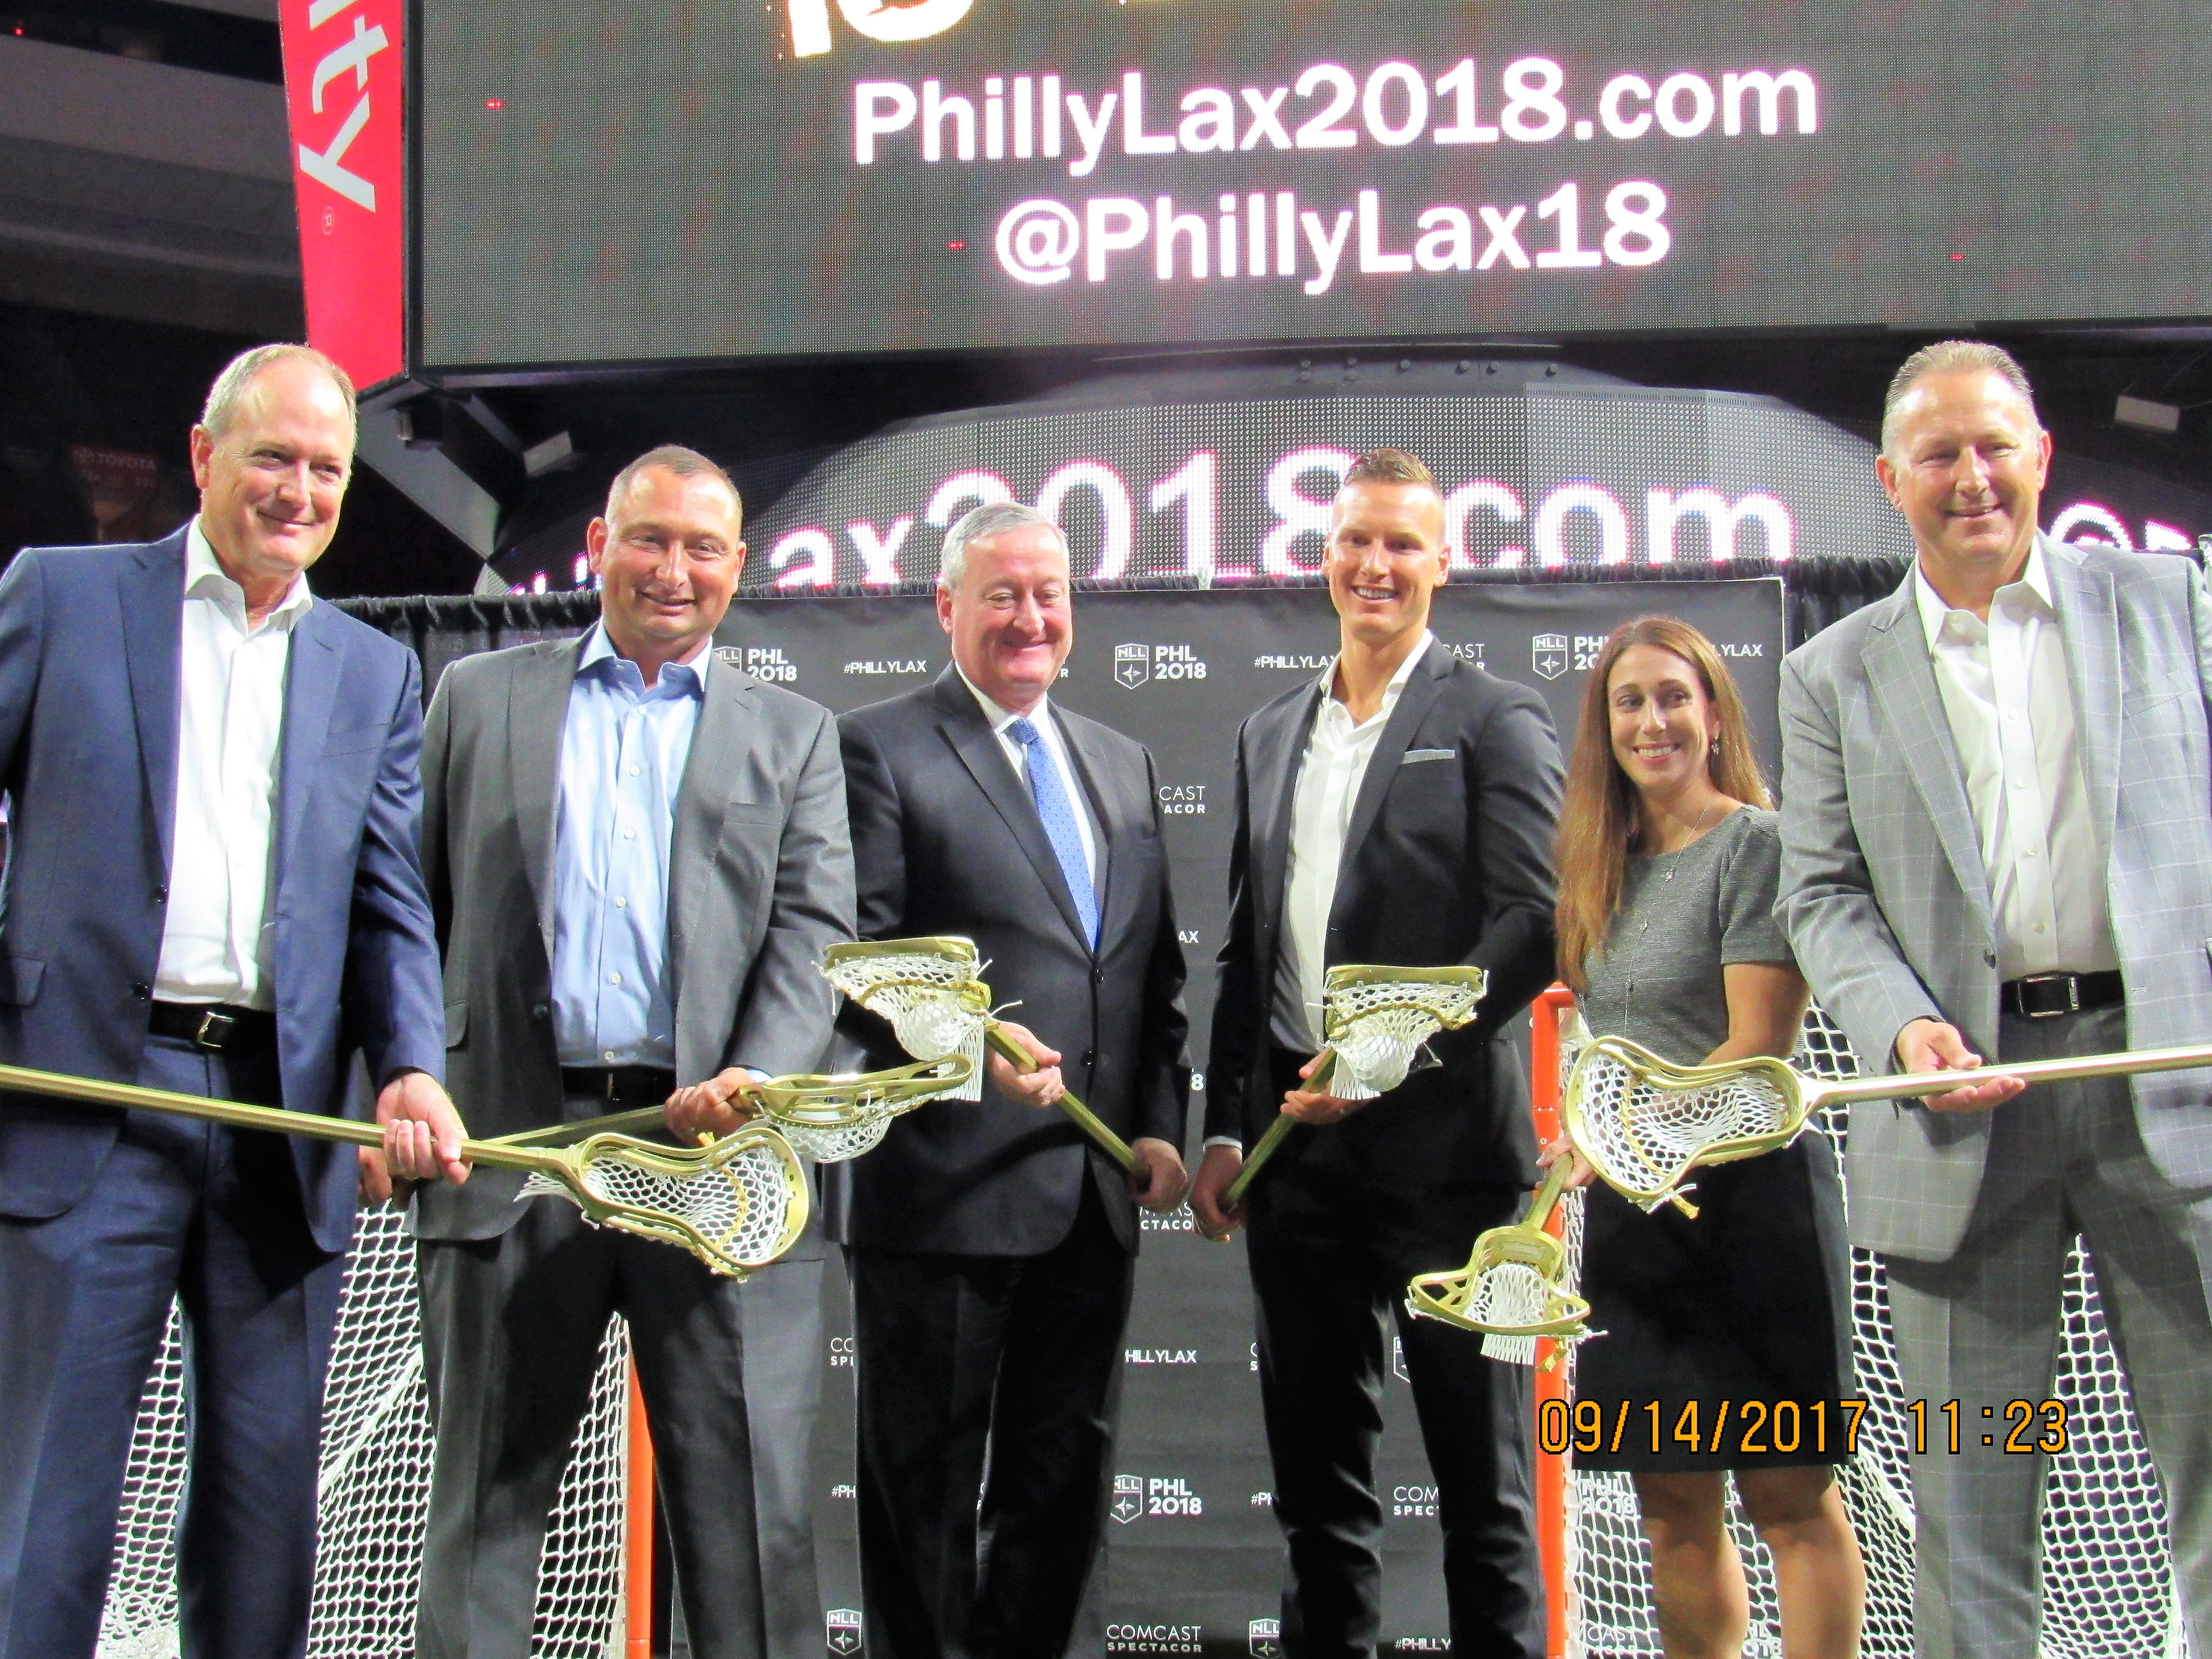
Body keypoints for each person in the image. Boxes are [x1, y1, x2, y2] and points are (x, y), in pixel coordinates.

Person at [0, 343, 465, 1659]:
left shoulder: (373, 672)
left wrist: (412, 1066)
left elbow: (389, 906)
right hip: (88, 1096)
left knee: (266, 1514)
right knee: (51, 1501)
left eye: (327, 469)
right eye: (274, 456)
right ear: (205, 456)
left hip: (281, 1120)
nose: (300, 491)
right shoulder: (64, 595)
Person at [1778, 339, 2212, 1658]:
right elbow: (1822, 895)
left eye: (1994, 447)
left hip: (2171, 1094)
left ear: (2043, 458)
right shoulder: (1832, 673)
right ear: (1889, 481)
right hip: (1958, 1124)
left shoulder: (2173, 603)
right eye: (1940, 455)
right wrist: (1902, 1023)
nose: (1972, 478)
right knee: (1971, 1517)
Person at [411, 445, 854, 1659]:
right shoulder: (477, 698)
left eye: (702, 547)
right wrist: (400, 1077)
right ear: (598, 549)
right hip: (512, 1157)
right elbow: (408, 909)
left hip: (711, 1172)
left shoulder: (797, 735)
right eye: (648, 539)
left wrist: (757, 1073)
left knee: (749, 1535)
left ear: (738, 569)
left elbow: (817, 935)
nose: (673, 569)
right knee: (481, 1524)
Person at [1191, 447, 1563, 1659]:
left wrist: (1392, 1057)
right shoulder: (1267, 730)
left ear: (1443, 564)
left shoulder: (1495, 714)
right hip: (1300, 1164)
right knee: (1318, 1494)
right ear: (1325, 555)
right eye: (1357, 541)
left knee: (1483, 1493)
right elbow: (1248, 959)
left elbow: (1535, 923)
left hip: (1451, 1160)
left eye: (1404, 544)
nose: (1376, 565)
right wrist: (1230, 1132)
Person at [831, 500, 1190, 1659]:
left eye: (1050, 594)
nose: (1030, 618)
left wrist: (1159, 1131)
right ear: (946, 607)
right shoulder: (876, 748)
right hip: (941, 1198)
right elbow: (853, 965)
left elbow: (1152, 982)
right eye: (1002, 595)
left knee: (1060, 1496)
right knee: (923, 1504)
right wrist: (960, 1043)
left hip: (1089, 1200)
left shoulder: (1122, 764)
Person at [1551, 616, 1863, 1659]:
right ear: (1607, 727)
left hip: (1754, 1206)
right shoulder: (1599, 868)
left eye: (1675, 697)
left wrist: (1617, 1130)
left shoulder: (1757, 844)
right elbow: (1612, 1042)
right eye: (1630, 702)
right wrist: (1599, 1142)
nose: (1654, 722)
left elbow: (1753, 1051)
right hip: (1642, 1214)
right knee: (1672, 1511)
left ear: (1717, 711)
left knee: (1789, 1501)